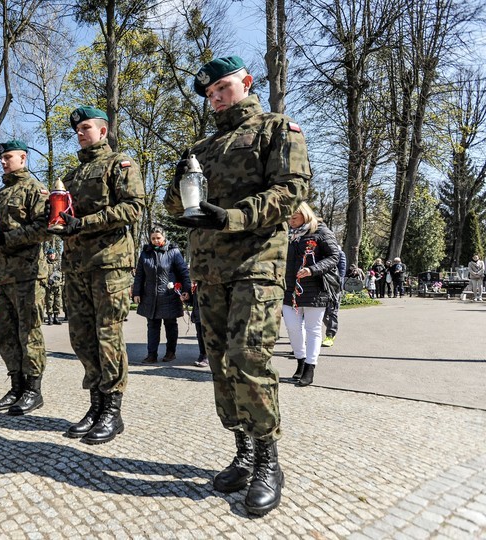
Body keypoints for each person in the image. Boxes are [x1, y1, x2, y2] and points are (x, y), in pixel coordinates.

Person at [164, 56, 310, 515]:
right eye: (209, 94)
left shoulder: (277, 129)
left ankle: (269, 458)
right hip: (210, 270)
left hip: (256, 262)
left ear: (246, 82)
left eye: (223, 88)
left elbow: (290, 191)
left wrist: (230, 217)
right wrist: (178, 187)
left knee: (249, 357)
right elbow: (175, 206)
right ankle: (243, 451)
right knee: (222, 364)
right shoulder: (202, 148)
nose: (216, 98)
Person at [52, 106, 145, 445]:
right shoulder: (73, 176)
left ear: (103, 131)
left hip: (109, 263)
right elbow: (65, 215)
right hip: (77, 265)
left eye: (87, 127)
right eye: (77, 129)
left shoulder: (119, 164)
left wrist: (85, 223)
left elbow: (133, 208)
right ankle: (96, 404)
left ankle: (113, 411)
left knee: (107, 336)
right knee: (81, 337)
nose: (80, 132)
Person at [0, 141, 50, 415]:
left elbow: (44, 228)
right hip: (0, 275)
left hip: (27, 274)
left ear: (24, 157)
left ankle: (33, 389)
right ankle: (17, 385)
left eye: (9, 157)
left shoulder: (35, 189)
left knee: (28, 332)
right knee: (6, 335)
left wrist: (5, 238)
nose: (4, 162)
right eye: (2, 158)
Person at [282, 202, 341, 386]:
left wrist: (312, 269)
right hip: (290, 289)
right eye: (289, 218)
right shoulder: (287, 235)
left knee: (313, 329)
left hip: (315, 288)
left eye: (294, 217)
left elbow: (334, 257)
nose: (291, 221)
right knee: (292, 327)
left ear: (305, 215)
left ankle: (310, 367)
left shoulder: (321, 231)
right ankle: (300, 361)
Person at [132, 226, 191, 363]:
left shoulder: (174, 252)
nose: (156, 241)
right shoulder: (145, 253)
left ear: (164, 237)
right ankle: (152, 354)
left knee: (170, 325)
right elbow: (140, 275)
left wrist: (186, 290)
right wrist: (136, 292)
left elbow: (183, 273)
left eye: (158, 238)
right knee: (152, 326)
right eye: (153, 238)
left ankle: (171, 352)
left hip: (169, 296)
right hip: (150, 297)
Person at [321, 244, 346, 347]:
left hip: (334, 286)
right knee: (322, 314)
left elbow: (341, 271)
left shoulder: (339, 252)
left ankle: (330, 335)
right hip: (320, 285)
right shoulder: (318, 250)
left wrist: (337, 285)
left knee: (332, 311)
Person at [43, 248, 63, 325]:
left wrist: (62, 282)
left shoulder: (58, 264)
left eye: (53, 254)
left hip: (58, 286)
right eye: (50, 254)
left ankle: (56, 318)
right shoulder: (46, 264)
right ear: (48, 255)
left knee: (57, 302)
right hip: (49, 287)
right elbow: (43, 274)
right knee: (49, 302)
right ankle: (50, 318)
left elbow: (62, 273)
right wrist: (46, 283)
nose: (52, 255)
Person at [191, 282, 208, 367]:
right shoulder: (196, 284)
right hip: (198, 312)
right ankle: (202, 354)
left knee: (207, 334)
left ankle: (207, 357)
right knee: (200, 334)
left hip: (207, 312)